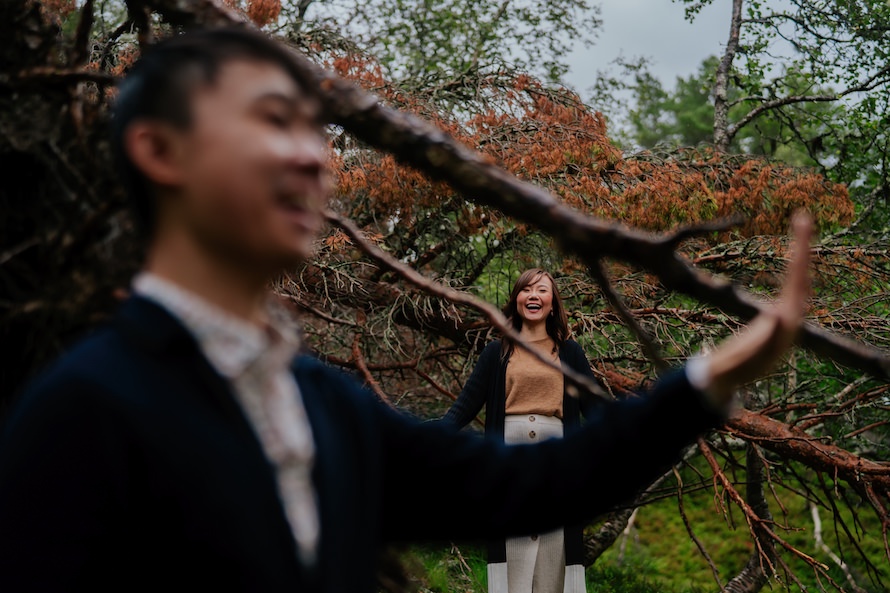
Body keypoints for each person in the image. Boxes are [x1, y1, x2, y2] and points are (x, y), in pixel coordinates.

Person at [0, 26, 813, 593]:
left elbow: (535, 486)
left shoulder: (324, 405)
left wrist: (713, 375)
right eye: (274, 120)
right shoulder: (84, 410)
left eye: (320, 131)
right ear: (159, 148)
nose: (315, 154)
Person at [442, 268, 601, 593]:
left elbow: (597, 411)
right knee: (511, 558)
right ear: (515, 300)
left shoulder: (570, 352)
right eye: (525, 290)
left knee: (553, 565)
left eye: (541, 290)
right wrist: (424, 439)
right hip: (507, 469)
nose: (533, 296)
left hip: (558, 467)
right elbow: (462, 408)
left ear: (552, 304)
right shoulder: (495, 353)